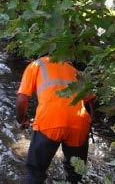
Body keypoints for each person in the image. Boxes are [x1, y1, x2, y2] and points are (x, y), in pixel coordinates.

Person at [16, 56, 95, 184]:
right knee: (76, 173)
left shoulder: (36, 65)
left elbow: (22, 99)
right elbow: (90, 102)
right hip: (79, 124)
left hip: (49, 122)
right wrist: (89, 121)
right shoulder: (75, 71)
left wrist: (22, 119)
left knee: (35, 172)